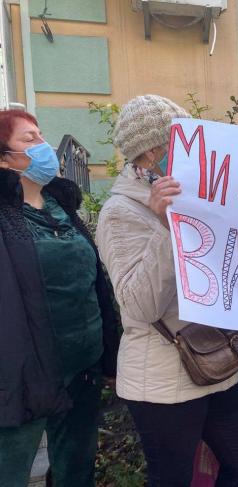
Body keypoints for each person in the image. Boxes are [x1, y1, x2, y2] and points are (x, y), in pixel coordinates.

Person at [95, 95, 238, 487]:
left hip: (215, 360)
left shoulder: (196, 197)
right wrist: (168, 227)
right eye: (180, 142)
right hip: (161, 377)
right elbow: (140, 305)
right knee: (172, 477)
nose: (191, 152)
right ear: (150, 154)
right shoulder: (119, 213)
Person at [0, 109, 119, 486]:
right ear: (4, 158)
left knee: (77, 471)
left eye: (41, 135)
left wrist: (109, 350)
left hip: (82, 366)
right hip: (25, 376)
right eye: (29, 139)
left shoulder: (61, 208)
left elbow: (94, 282)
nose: (44, 145)